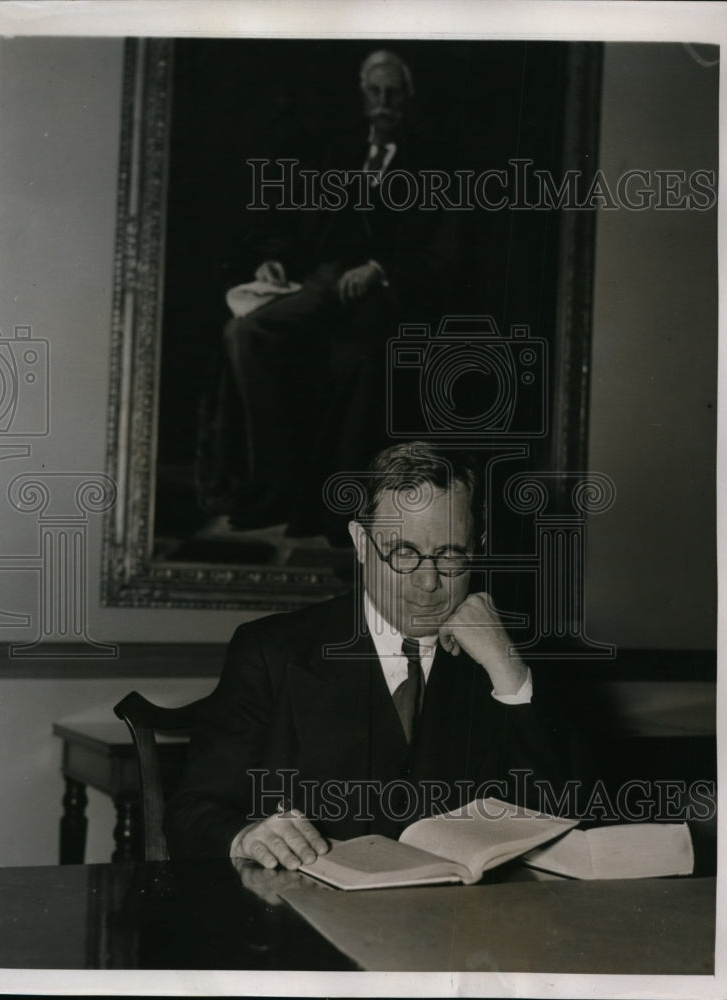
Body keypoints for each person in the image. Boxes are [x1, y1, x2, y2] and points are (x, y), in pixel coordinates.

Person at [165, 441, 565, 867]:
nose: (429, 582)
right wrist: (246, 837)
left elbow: (562, 821)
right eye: (403, 553)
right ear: (361, 542)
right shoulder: (271, 652)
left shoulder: (505, 657)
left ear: (477, 547)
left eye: (451, 555)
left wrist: (507, 670)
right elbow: (192, 813)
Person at [196, 50, 456, 533]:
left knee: (359, 358)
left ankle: (337, 504)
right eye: (375, 92)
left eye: (393, 93)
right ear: (363, 96)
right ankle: (275, 485)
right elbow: (300, 224)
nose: (384, 103)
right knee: (243, 334)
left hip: (387, 291)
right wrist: (275, 260)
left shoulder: (433, 159)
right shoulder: (338, 151)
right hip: (322, 280)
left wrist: (378, 267)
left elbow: (441, 249)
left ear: (409, 97)